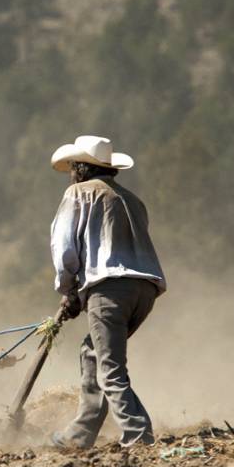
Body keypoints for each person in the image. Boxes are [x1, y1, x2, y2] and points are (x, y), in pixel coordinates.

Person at [48, 135, 165, 448]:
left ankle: (138, 434)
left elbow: (64, 245)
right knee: (93, 352)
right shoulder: (132, 200)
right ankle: (80, 434)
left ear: (81, 168)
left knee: (110, 369)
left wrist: (68, 290)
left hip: (110, 289)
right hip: (144, 289)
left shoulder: (79, 193)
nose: (71, 173)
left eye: (74, 167)